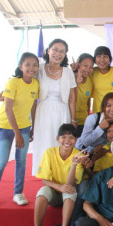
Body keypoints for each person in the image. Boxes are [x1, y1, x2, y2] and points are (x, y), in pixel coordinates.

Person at [0, 52, 39, 206]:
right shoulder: (13, 82)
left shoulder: (35, 84)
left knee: (21, 161)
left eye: (35, 65)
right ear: (21, 66)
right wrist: (17, 133)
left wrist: (33, 127)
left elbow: (33, 106)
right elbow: (9, 109)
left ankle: (18, 193)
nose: (31, 68)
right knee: (2, 161)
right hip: (6, 127)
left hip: (24, 127)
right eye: (27, 64)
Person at [28, 124, 86, 226]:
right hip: (55, 191)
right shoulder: (50, 152)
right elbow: (44, 180)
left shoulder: (78, 154)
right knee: (42, 192)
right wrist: (59, 187)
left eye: (71, 137)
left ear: (76, 139)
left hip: (68, 190)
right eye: (63, 137)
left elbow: (71, 183)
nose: (67, 140)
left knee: (71, 192)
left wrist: (75, 164)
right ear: (58, 139)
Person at [32, 39, 77, 176]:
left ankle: (60, 175)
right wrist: (33, 122)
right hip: (43, 111)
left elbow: (72, 98)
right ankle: (45, 175)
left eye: (62, 51)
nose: (58, 53)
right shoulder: (39, 69)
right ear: (48, 50)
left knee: (61, 142)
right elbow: (26, 84)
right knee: (45, 143)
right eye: (55, 49)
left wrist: (73, 119)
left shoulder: (68, 72)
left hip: (62, 111)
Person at [90, 46, 113, 113]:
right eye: (99, 56)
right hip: (98, 113)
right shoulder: (92, 72)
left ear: (110, 59)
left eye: (105, 56)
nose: (102, 60)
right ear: (94, 59)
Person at [72, 53, 94, 137]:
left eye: (91, 67)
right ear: (78, 65)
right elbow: (72, 99)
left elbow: (88, 101)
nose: (88, 69)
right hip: (70, 120)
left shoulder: (90, 80)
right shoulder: (70, 77)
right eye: (85, 65)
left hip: (83, 121)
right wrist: (75, 82)